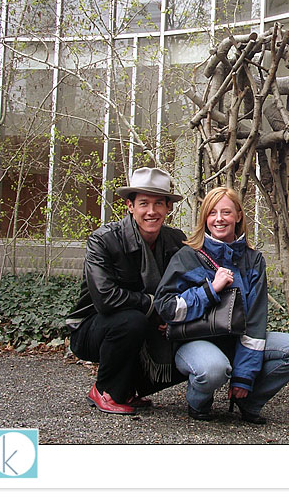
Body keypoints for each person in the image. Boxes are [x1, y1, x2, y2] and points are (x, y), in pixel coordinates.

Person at [154, 187, 289, 424]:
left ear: (238, 216)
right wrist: (210, 290)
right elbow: (165, 307)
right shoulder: (188, 256)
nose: (219, 219)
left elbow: (256, 320)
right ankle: (199, 402)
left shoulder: (253, 260)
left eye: (226, 212)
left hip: (238, 340)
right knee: (213, 369)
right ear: (205, 218)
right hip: (196, 341)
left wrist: (243, 377)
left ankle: (248, 400)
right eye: (212, 213)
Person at [66, 167, 187, 415]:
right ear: (130, 206)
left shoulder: (176, 240)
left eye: (158, 204)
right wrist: (156, 307)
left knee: (190, 339)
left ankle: (128, 389)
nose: (151, 212)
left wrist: (172, 314)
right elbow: (105, 299)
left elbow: (187, 287)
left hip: (150, 323)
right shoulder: (103, 240)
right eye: (143, 203)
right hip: (95, 328)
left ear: (168, 208)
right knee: (132, 321)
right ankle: (105, 390)